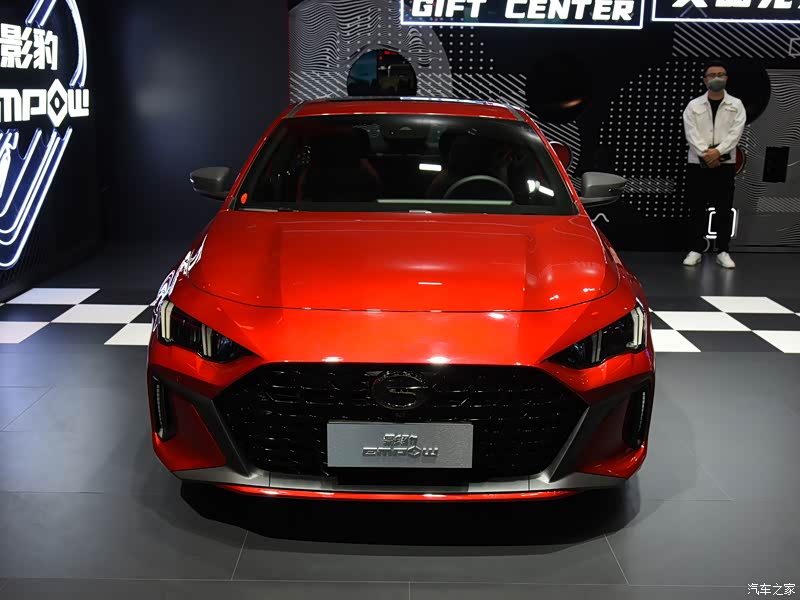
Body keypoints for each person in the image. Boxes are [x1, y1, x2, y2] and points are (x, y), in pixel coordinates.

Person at [681, 60, 746, 269]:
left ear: (726, 78)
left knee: (723, 209)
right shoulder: (694, 105)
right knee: (697, 208)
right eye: (712, 75)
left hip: (725, 164)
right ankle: (695, 249)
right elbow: (691, 132)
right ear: (705, 80)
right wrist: (706, 153)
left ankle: (723, 251)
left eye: (721, 74)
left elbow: (736, 133)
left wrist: (718, 152)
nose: (716, 78)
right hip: (697, 164)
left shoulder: (736, 105)